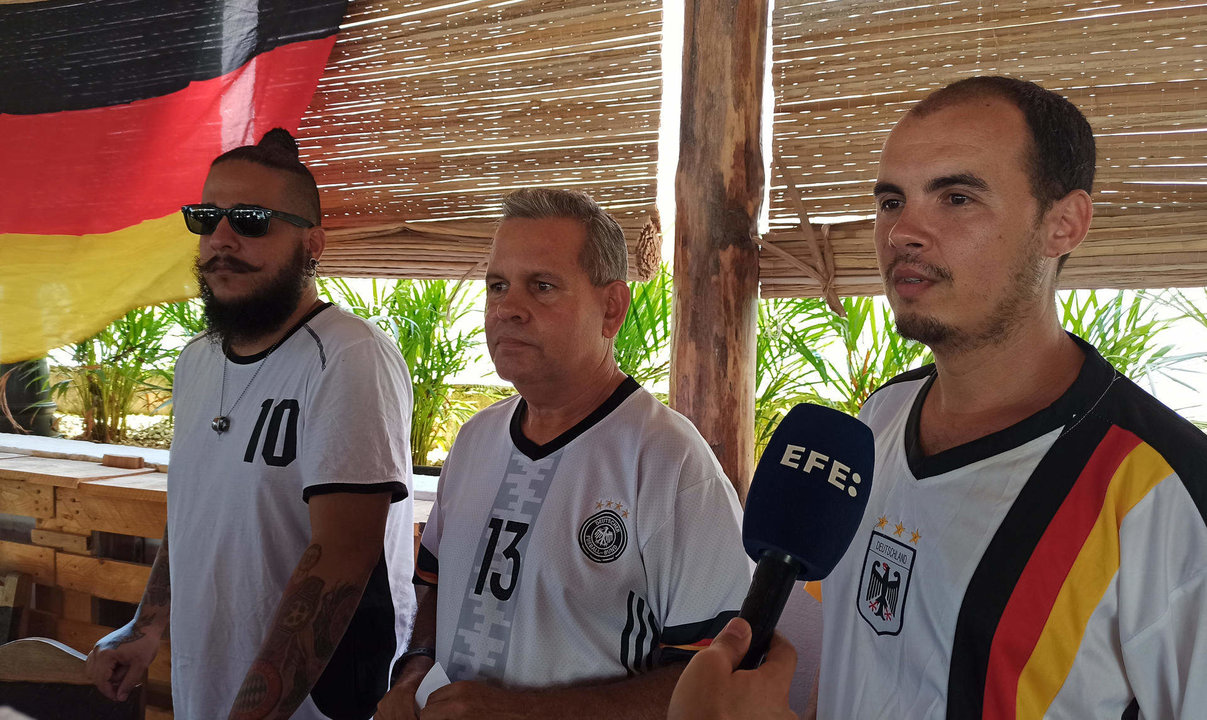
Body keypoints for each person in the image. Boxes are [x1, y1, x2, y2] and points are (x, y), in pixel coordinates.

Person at [668, 76, 1207, 719]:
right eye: (891, 200)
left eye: (956, 197)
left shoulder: (1162, 493)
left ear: (1064, 224)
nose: (903, 232)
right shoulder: (876, 423)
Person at [377, 188, 753, 719]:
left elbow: (717, 676)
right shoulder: (475, 440)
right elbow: (435, 588)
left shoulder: (669, 463)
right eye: (498, 286)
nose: (508, 309)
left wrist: (523, 712)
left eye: (543, 287)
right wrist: (411, 677)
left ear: (611, 308)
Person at [85, 129, 417, 720]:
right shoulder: (196, 360)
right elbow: (197, 511)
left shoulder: (348, 356)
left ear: (311, 242)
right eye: (207, 217)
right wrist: (147, 625)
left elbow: (343, 554)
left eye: (250, 219)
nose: (220, 239)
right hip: (205, 686)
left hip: (313, 703)